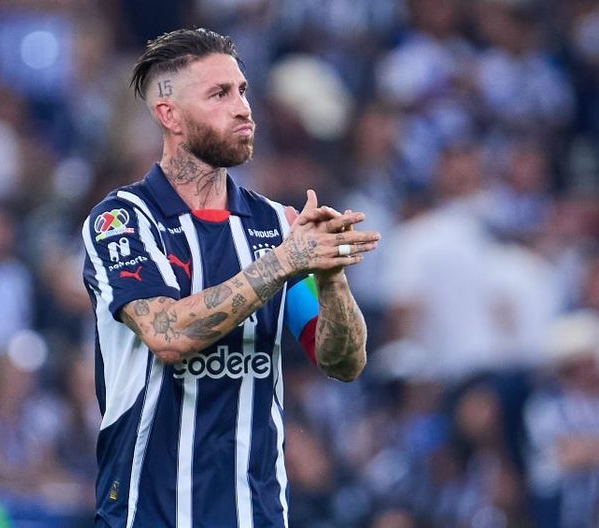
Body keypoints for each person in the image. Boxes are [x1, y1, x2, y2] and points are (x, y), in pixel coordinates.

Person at [81, 28, 380, 527]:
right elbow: (167, 335)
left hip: (256, 513)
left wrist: (331, 279)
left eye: (242, 91)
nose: (243, 108)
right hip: (149, 511)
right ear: (170, 115)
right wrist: (285, 262)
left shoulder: (277, 225)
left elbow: (342, 362)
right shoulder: (124, 219)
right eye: (219, 94)